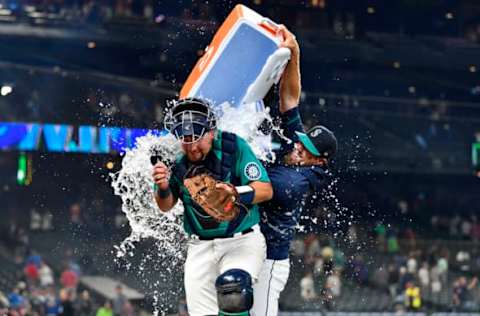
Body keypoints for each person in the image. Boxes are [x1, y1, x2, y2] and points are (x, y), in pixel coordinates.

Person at [152, 97, 273, 316]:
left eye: (197, 138)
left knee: (233, 289)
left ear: (211, 132)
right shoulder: (172, 158)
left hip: (241, 241)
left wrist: (235, 193)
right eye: (186, 139)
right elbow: (166, 206)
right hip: (199, 249)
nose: (192, 146)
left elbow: (265, 189)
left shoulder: (234, 147)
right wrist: (162, 187)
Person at [252, 25, 337, 316]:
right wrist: (295, 52)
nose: (298, 148)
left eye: (307, 151)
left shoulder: (297, 181)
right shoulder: (297, 150)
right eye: (302, 144)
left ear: (319, 162)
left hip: (269, 262)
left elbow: (255, 183)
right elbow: (289, 100)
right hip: (247, 249)